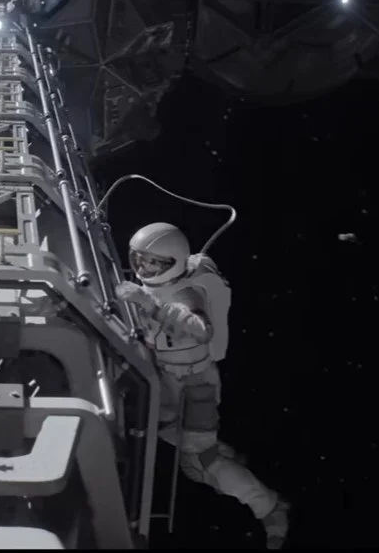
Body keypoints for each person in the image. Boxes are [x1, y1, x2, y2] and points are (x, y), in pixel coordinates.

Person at [115, 222, 290, 549]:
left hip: (196, 386)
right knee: (166, 432)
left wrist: (150, 305)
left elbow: (201, 329)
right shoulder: (159, 288)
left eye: (153, 263)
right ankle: (219, 454)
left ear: (174, 263)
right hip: (169, 379)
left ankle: (270, 508)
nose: (144, 269)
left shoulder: (186, 294)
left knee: (199, 463)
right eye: (139, 260)